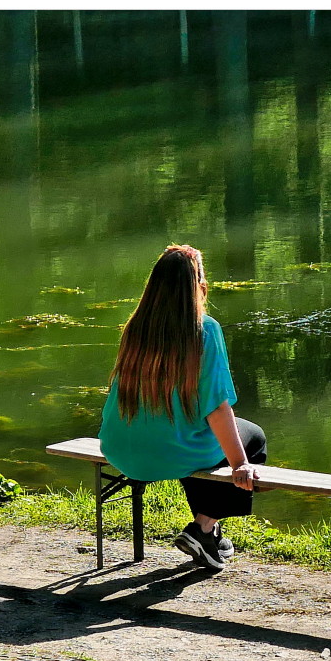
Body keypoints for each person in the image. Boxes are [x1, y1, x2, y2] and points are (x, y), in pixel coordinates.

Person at [98, 244, 263, 571]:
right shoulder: (205, 330)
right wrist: (241, 464)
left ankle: (209, 533)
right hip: (168, 454)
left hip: (120, 450)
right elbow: (217, 408)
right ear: (200, 287)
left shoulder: (135, 329)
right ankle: (203, 527)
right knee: (251, 437)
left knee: (194, 435)